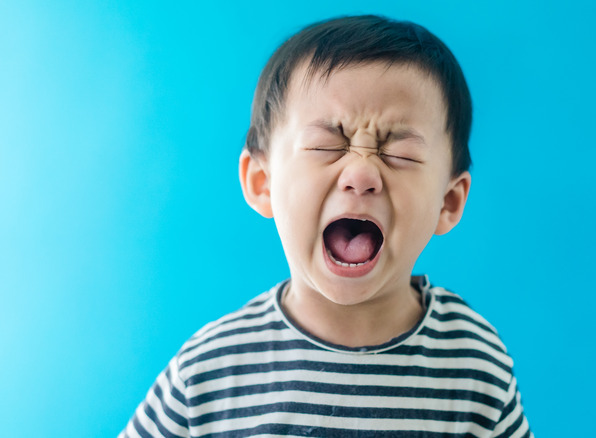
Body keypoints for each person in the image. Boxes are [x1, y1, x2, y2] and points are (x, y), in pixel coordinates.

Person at [121, 15, 533, 438]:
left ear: (448, 201)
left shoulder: (472, 364)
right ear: (262, 182)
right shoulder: (210, 371)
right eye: (325, 145)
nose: (361, 173)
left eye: (401, 154)